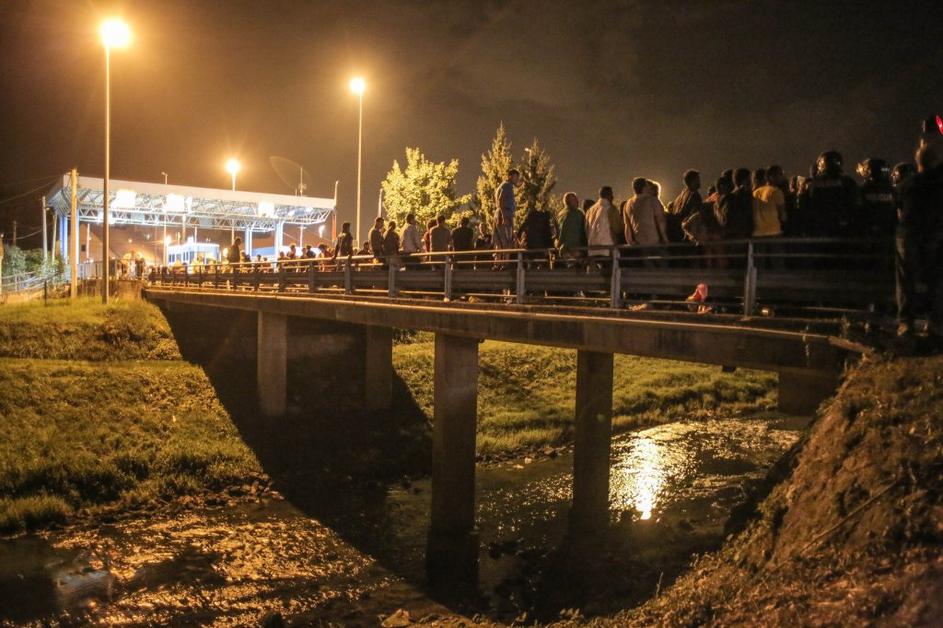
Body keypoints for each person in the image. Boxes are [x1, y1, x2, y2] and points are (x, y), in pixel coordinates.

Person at [896, 142, 943, 345]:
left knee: (906, 279)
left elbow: (899, 212)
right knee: (936, 279)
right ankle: (934, 323)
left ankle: (906, 323)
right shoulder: (939, 183)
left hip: (909, 236)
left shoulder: (907, 184)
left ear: (918, 162)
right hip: (934, 236)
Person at [806, 150, 859, 237]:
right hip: (844, 227)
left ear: (821, 164)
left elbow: (807, 205)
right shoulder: (848, 182)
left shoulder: (813, 183)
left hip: (820, 227)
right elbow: (855, 204)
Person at [855, 158, 896, 236]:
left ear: (868, 171)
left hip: (867, 231)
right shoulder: (893, 190)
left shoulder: (863, 189)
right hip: (889, 231)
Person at [624, 177, 668, 248]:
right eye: (648, 186)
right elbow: (660, 220)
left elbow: (627, 226)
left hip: (639, 242)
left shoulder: (628, 204)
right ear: (644, 187)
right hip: (654, 240)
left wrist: (630, 241)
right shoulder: (653, 200)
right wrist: (665, 238)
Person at [717, 168, 754, 240]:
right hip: (742, 235)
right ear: (744, 181)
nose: (751, 182)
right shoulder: (743, 196)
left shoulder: (727, 197)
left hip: (730, 236)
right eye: (749, 179)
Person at [667, 170, 703, 243]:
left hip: (679, 230)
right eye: (698, 179)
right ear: (692, 181)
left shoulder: (682, 194)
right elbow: (690, 214)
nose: (699, 182)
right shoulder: (694, 195)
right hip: (687, 233)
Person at [585, 186, 621, 257]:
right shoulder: (611, 208)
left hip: (592, 248)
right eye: (611, 194)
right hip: (608, 248)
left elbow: (586, 230)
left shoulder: (590, 210)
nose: (613, 197)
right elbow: (617, 228)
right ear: (608, 195)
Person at [493, 168, 521, 256]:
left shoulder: (502, 185)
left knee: (498, 243)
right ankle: (506, 261)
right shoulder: (508, 186)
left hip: (499, 214)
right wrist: (504, 217)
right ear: (510, 176)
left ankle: (498, 262)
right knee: (507, 242)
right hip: (505, 214)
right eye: (515, 177)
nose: (517, 179)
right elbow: (501, 199)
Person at [556, 192, 587, 262]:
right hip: (576, 248)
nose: (578, 201)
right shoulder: (577, 213)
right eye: (575, 200)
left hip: (563, 249)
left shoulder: (560, 214)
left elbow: (558, 232)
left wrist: (558, 244)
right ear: (569, 202)